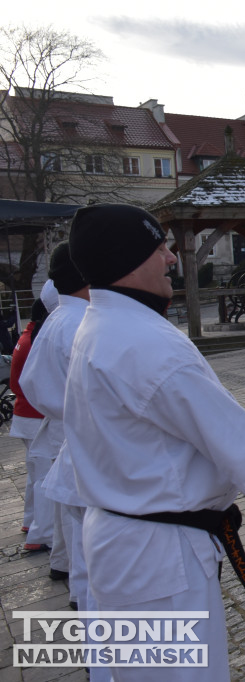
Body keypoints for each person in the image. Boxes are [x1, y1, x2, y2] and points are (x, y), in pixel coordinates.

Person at [61, 203, 245, 681]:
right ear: (127, 261)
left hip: (122, 540)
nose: (172, 259)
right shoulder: (147, 342)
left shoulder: (101, 328)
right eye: (159, 248)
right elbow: (230, 433)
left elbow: (168, 433)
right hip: (159, 556)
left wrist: (238, 478)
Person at [21, 244, 89, 615]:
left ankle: (64, 568)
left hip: (67, 430)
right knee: (86, 536)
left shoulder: (58, 320)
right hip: (80, 436)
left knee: (70, 522)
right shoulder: (80, 323)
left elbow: (31, 383)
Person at [9, 298, 47, 538]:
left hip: (25, 415)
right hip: (35, 416)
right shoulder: (35, 341)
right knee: (43, 478)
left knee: (36, 475)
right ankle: (40, 533)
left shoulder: (25, 338)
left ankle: (30, 520)